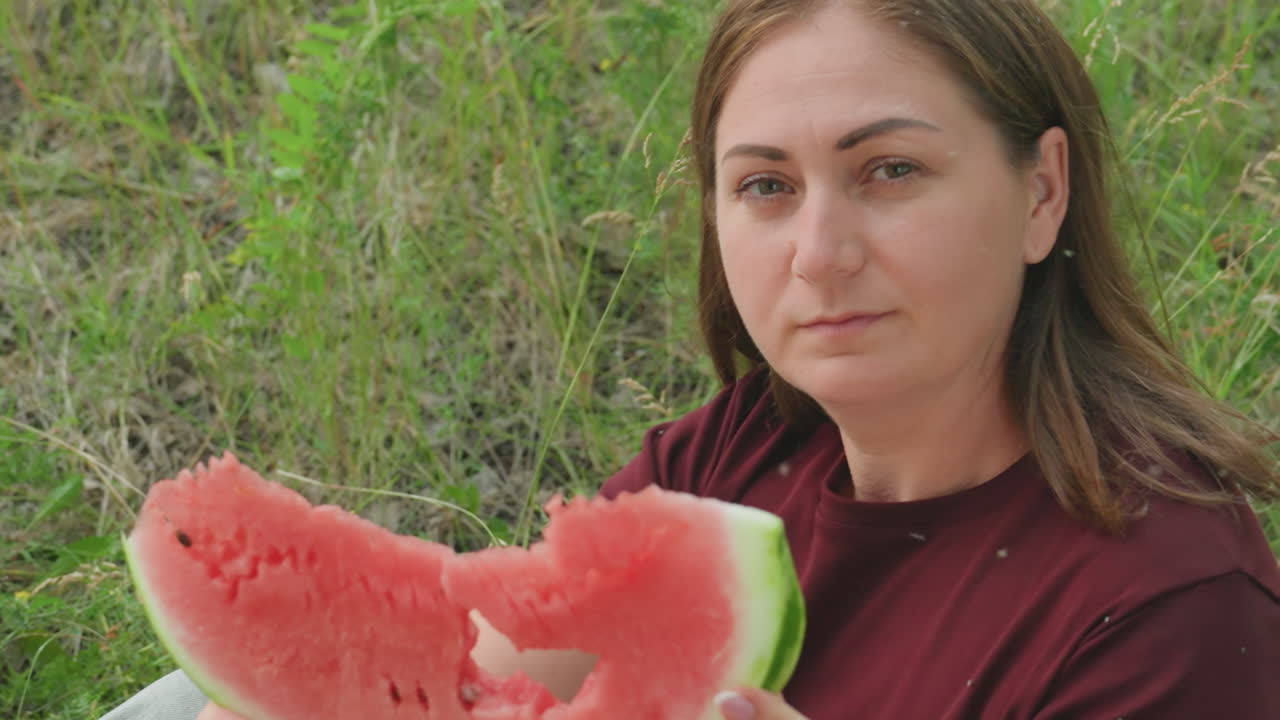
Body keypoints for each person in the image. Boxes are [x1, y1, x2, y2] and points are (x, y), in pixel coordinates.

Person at [103, 1, 1279, 719]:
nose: (817, 256)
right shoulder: (751, 444)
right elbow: (466, 675)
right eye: (765, 186)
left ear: (1040, 192)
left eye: (889, 171)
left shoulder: (1168, 606)